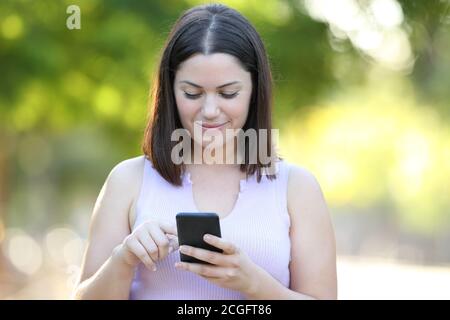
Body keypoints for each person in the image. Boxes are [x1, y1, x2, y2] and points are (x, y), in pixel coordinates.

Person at [73, 3, 337, 300]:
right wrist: (123, 259)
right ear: (170, 92)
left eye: (228, 93)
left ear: (255, 90)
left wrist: (255, 284)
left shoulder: (296, 188)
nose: (210, 111)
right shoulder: (128, 180)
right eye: (192, 93)